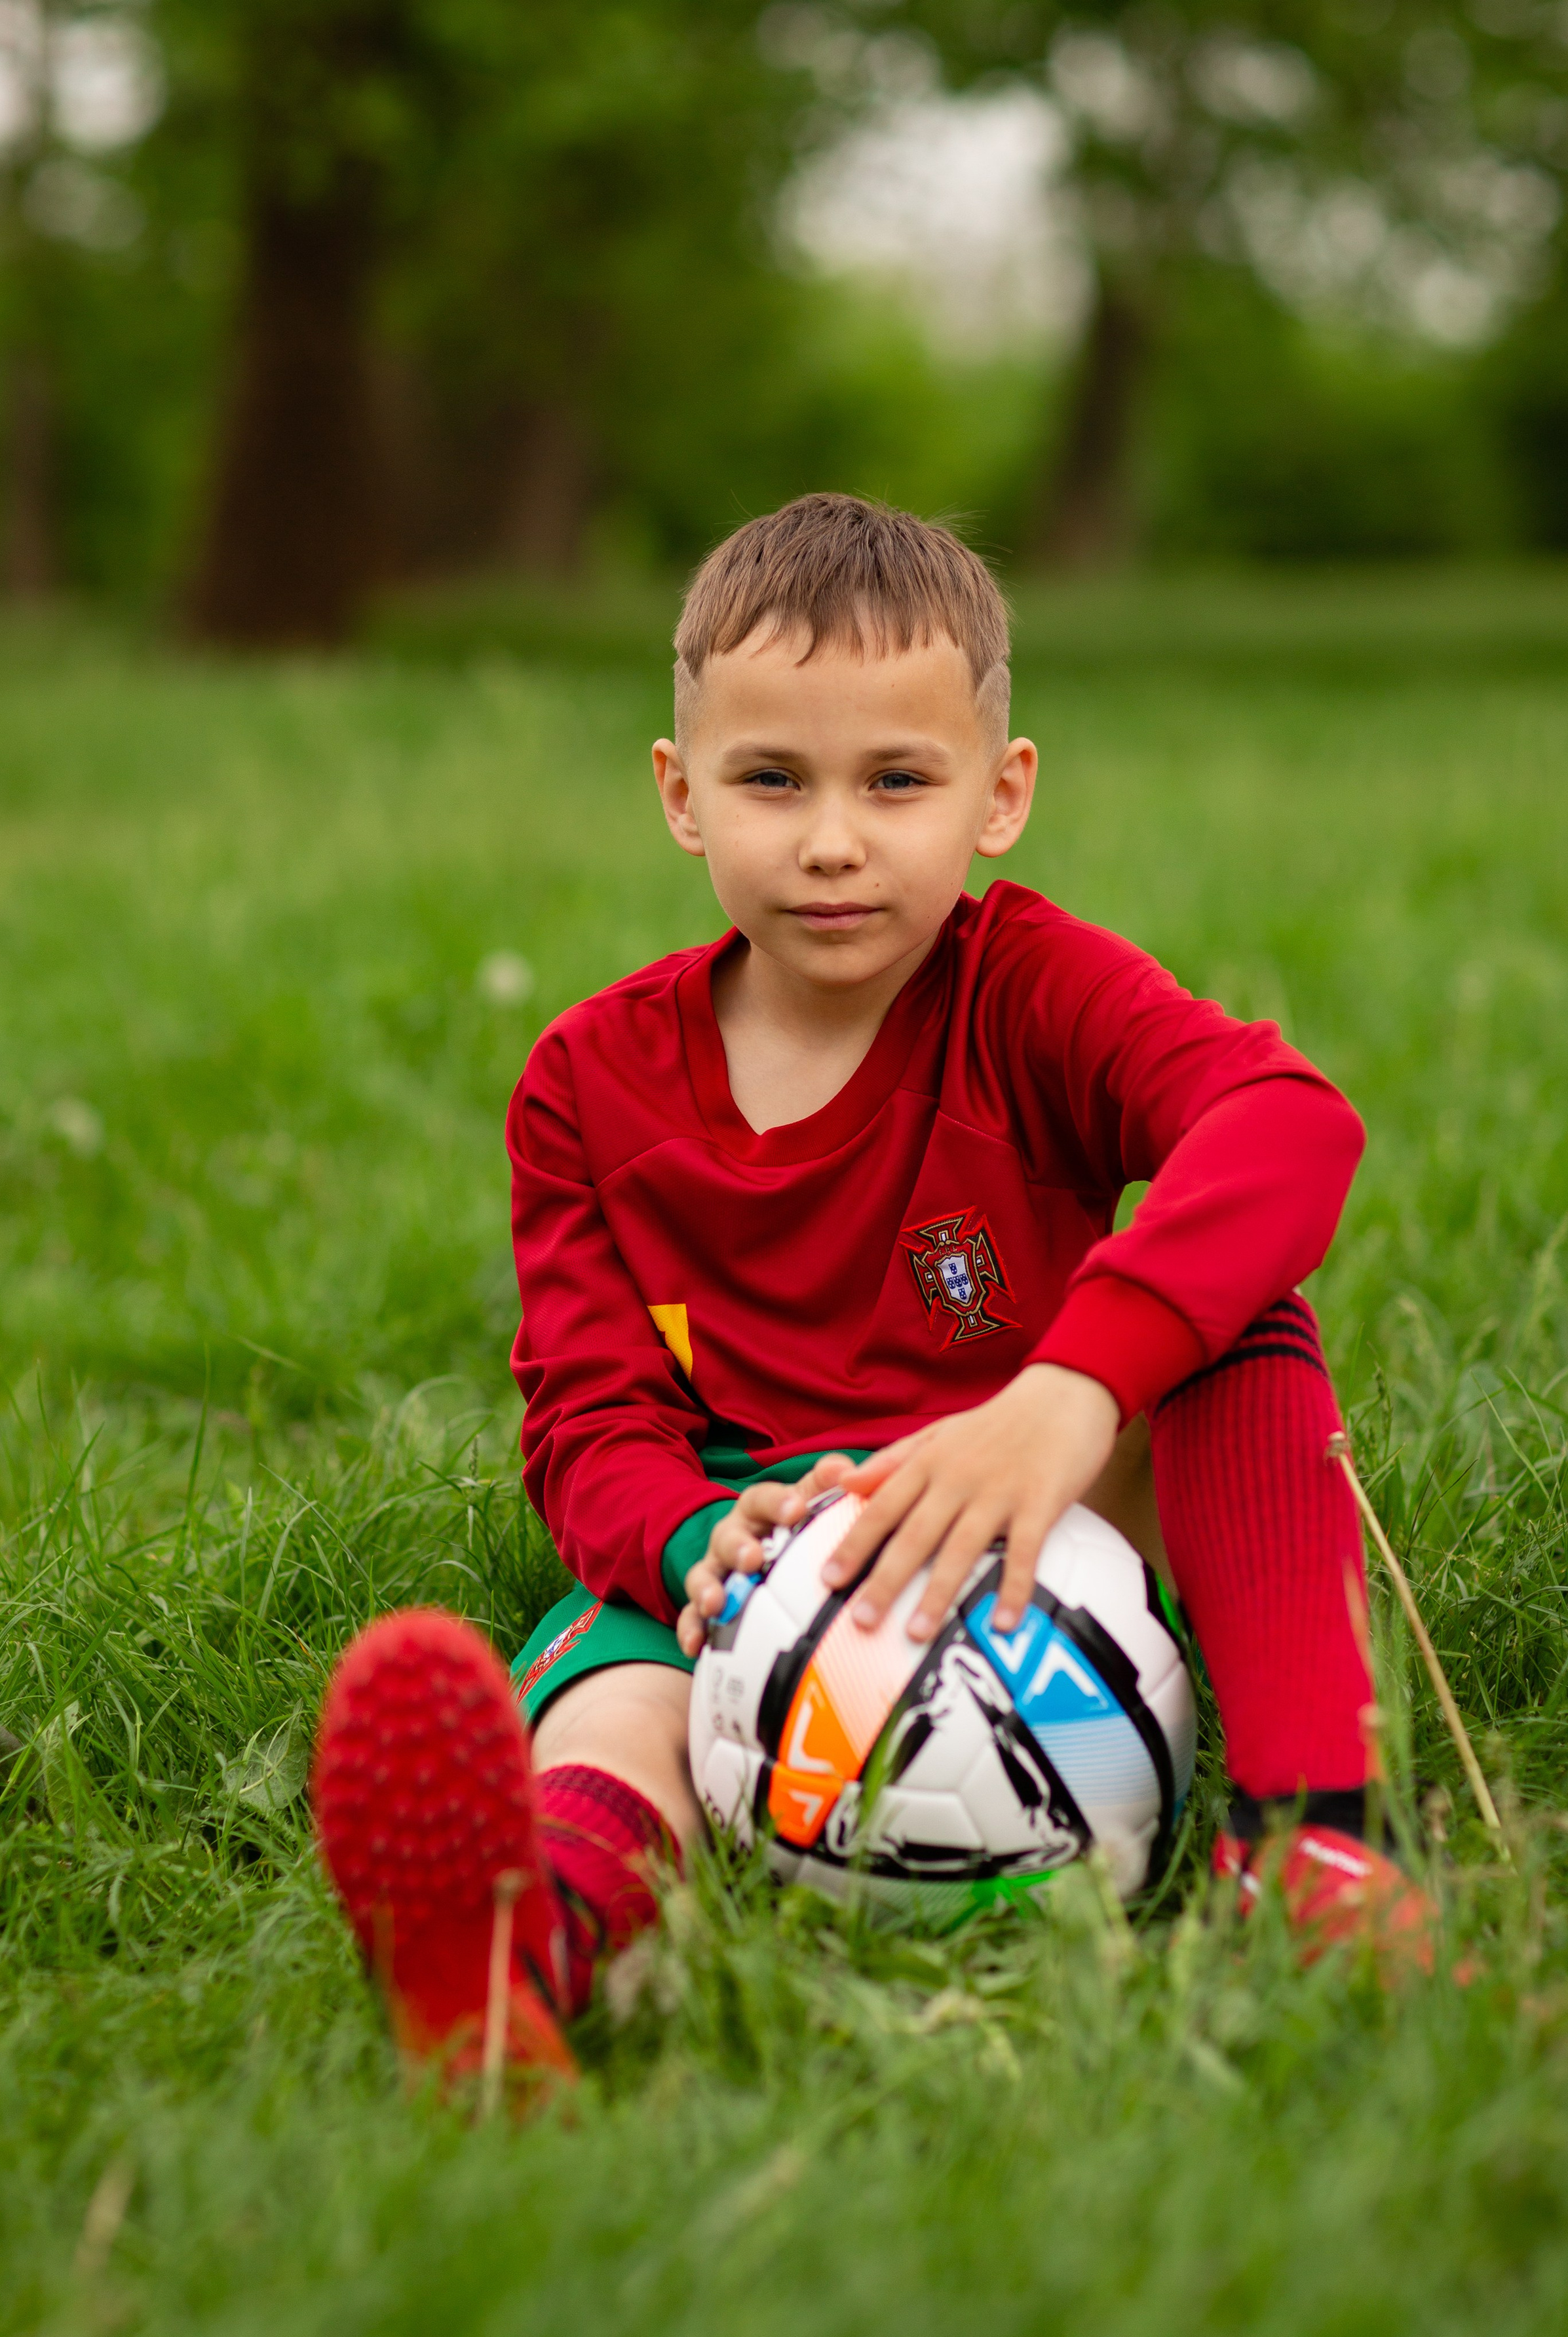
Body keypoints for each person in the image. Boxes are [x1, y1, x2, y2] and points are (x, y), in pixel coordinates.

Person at [311, 493, 1432, 2091]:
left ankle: (1311, 1843)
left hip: (1040, 1511)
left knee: (1237, 1321)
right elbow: (587, 1415)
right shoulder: (587, 1082)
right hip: (753, 1548)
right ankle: (516, 1950)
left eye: (895, 781)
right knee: (620, 1698)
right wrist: (698, 1542)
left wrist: (1068, 1391)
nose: (832, 839)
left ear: (999, 793)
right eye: (771, 779)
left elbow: (1286, 1125)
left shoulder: (1030, 992)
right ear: (678, 792)